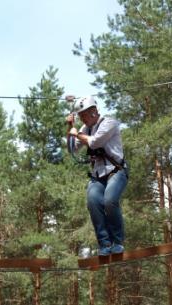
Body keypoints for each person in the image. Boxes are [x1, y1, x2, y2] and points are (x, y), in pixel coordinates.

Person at [66, 96, 128, 256]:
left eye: (84, 116)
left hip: (117, 171)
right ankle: (105, 245)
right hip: (98, 175)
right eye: (80, 117)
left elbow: (94, 142)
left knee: (109, 201)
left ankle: (117, 242)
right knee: (93, 202)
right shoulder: (85, 129)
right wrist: (70, 128)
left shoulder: (109, 123)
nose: (82, 119)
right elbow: (72, 149)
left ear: (93, 112)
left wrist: (77, 134)